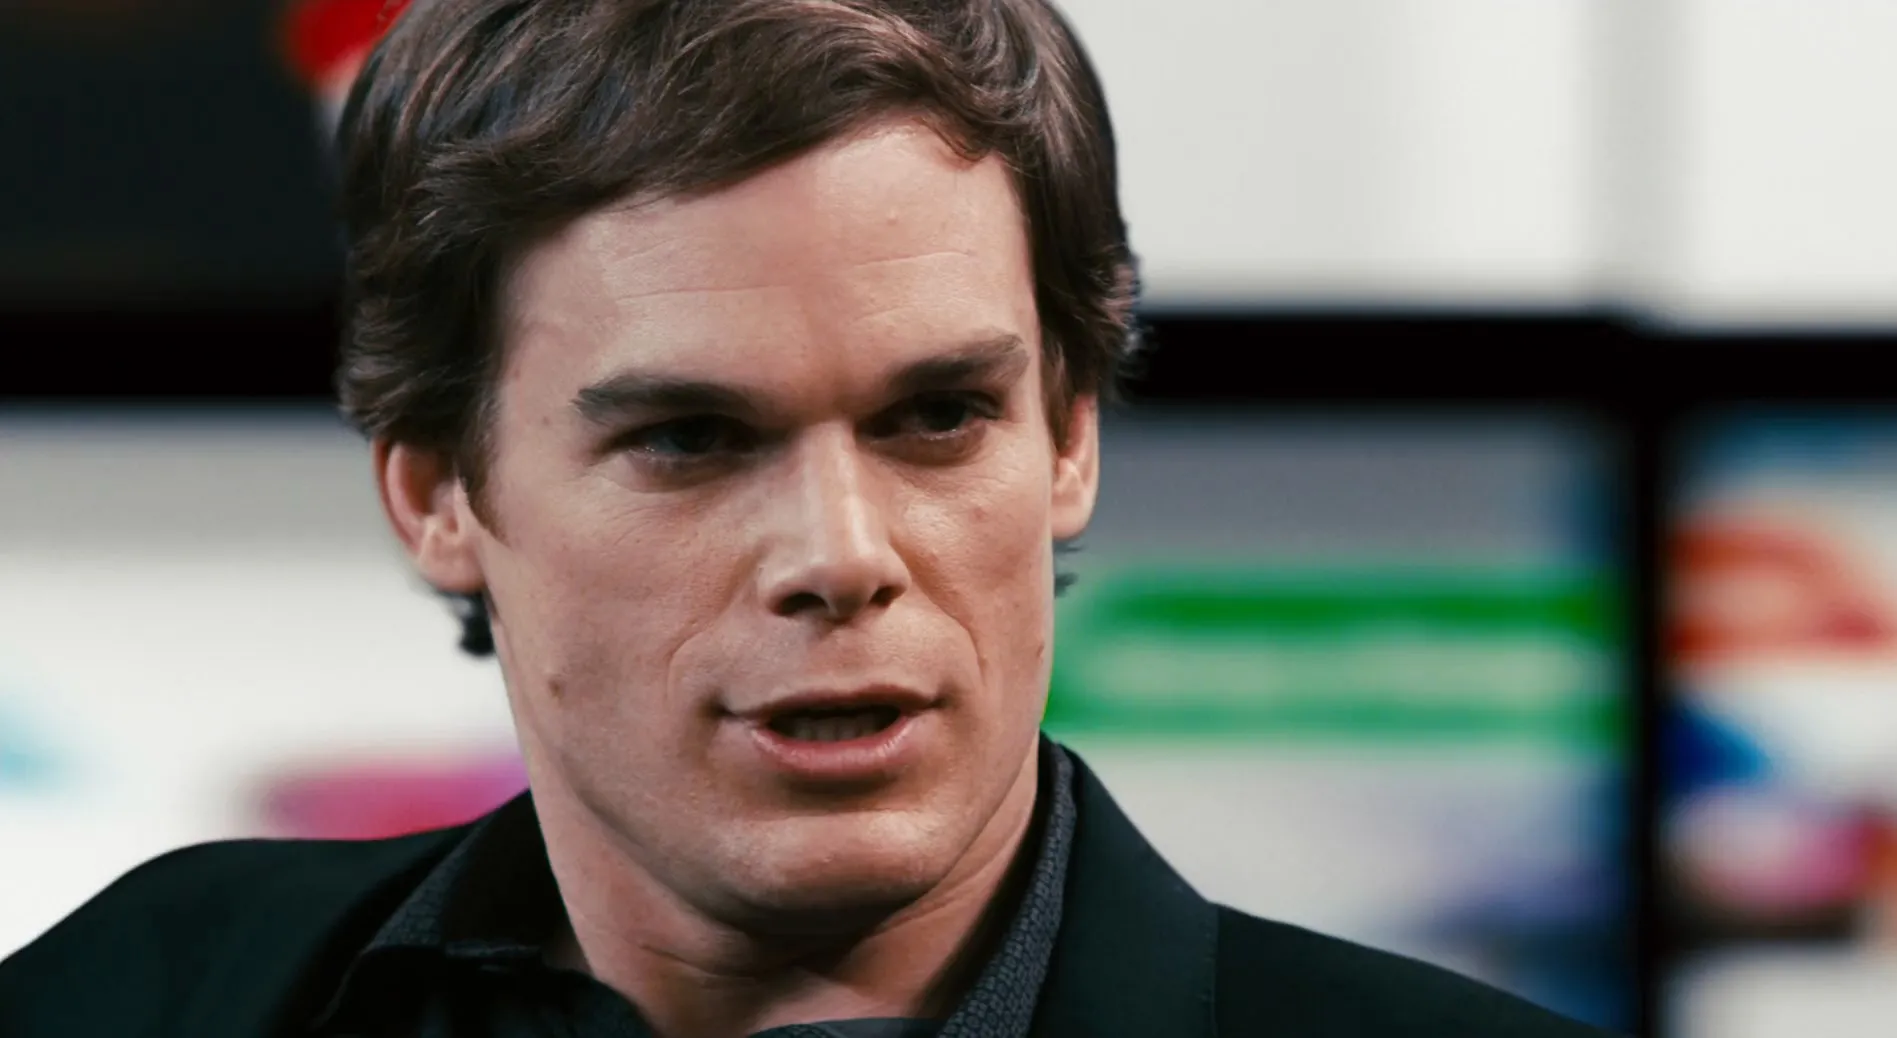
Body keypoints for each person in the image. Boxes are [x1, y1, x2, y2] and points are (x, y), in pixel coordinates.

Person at [0, 1, 1620, 1035]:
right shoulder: (146, 992)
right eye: (692, 439)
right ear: (439, 494)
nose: (843, 555)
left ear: (1068, 437)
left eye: (939, 416)